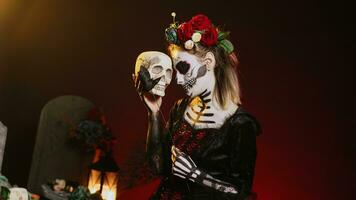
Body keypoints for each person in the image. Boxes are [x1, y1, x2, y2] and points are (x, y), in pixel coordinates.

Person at [134, 14, 262, 200]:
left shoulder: (240, 124)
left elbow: (241, 193)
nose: (178, 79)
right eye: (176, 71)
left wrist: (196, 175)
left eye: (183, 68)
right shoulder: (180, 108)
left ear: (209, 62)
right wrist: (153, 113)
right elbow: (158, 168)